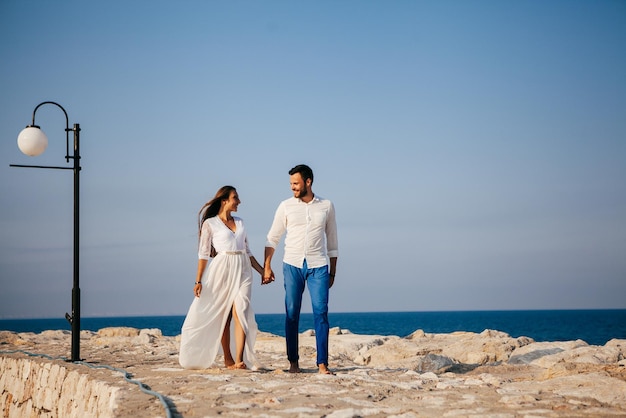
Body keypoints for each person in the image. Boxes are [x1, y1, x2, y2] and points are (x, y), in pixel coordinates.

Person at [179, 186, 267, 370]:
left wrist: (263, 271)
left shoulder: (241, 222)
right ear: (224, 200)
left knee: (241, 309)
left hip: (243, 268)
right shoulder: (210, 223)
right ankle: (228, 359)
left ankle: (239, 360)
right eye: (236, 197)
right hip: (222, 269)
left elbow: (248, 251)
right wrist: (198, 280)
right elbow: (203, 254)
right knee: (224, 316)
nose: (239, 201)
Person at [263, 164, 338, 374]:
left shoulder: (326, 206)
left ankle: (322, 364)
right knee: (292, 313)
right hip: (292, 264)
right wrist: (267, 266)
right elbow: (272, 237)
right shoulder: (285, 206)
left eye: (295, 183)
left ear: (308, 182)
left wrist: (333, 271)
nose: (292, 188)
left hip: (319, 266)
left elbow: (332, 241)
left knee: (321, 313)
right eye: (290, 184)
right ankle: (293, 363)